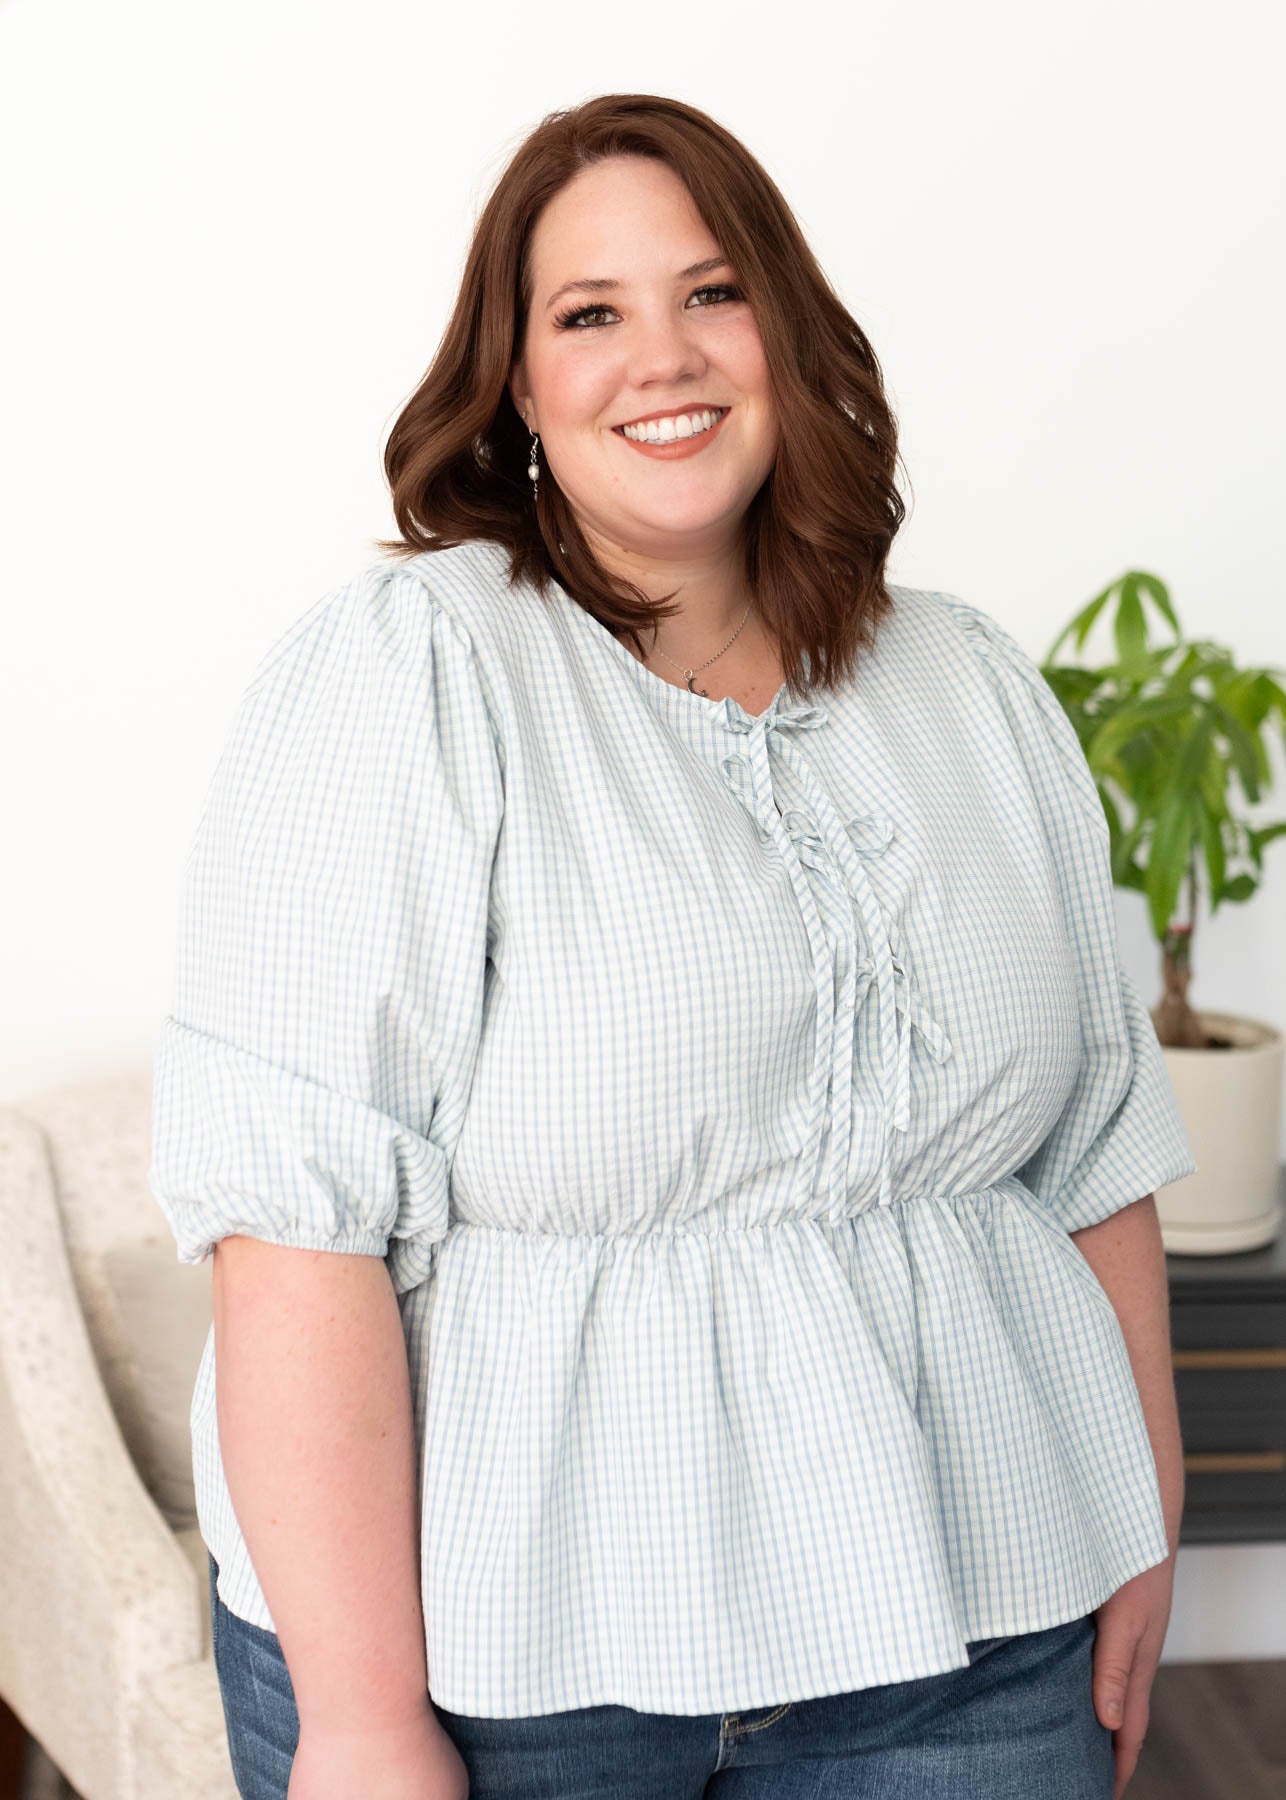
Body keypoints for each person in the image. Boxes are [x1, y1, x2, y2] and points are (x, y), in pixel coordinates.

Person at [148, 92, 1196, 1800]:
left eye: (710, 294)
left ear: (785, 332)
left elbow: (1093, 1134)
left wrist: (1141, 1506)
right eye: (589, 315)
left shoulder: (968, 681)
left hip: (969, 1618)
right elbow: (291, 1225)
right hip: (505, 1660)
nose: (663, 357)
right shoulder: (409, 677)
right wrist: (359, 1722)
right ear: (517, 389)